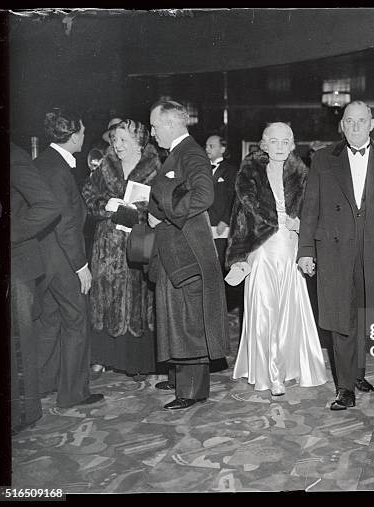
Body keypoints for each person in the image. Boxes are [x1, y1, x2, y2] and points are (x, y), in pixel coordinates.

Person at [298, 101, 374, 410]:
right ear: (341, 125)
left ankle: (358, 372)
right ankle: (344, 387)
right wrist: (306, 250)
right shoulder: (324, 159)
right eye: (349, 121)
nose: (354, 127)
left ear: (372, 124)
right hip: (336, 251)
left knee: (368, 313)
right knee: (342, 318)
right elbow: (310, 207)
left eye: (360, 121)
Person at [226, 123, 327, 396]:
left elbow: (316, 214)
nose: (280, 146)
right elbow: (239, 219)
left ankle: (288, 367)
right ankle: (270, 374)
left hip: (290, 250)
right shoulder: (249, 175)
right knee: (264, 310)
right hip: (261, 250)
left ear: (293, 145)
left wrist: (301, 225)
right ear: (264, 144)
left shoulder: (303, 175)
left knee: (288, 311)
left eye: (286, 141)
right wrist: (238, 256)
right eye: (274, 141)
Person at [147, 99, 229, 410]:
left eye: (155, 126)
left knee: (189, 317)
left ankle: (192, 390)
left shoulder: (190, 153)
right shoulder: (178, 153)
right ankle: (182, 379)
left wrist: (167, 214)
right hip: (176, 248)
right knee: (178, 314)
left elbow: (204, 196)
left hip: (187, 249)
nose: (153, 133)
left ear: (170, 124)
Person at [34, 108, 104, 408]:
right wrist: (81, 266)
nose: (85, 136)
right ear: (73, 135)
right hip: (63, 260)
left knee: (50, 321)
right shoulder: (59, 170)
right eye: (83, 132)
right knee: (76, 320)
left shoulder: (42, 162)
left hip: (44, 260)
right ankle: (73, 394)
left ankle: (41, 386)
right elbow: (65, 225)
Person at [81, 119, 160, 379]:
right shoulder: (106, 165)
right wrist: (106, 204)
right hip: (107, 245)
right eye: (115, 139)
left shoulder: (155, 167)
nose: (118, 144)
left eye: (124, 140)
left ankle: (135, 360)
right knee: (105, 297)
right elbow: (88, 195)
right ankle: (103, 357)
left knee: (139, 299)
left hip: (139, 243)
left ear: (139, 141)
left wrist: (140, 211)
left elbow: (163, 204)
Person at [10, 143, 61, 432]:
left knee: (21, 341)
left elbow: (47, 206)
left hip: (18, 262)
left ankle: (24, 413)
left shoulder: (13, 156)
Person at [205, 134, 239, 371]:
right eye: (206, 145)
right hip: (204, 230)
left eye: (211, 145)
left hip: (223, 232)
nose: (207, 149)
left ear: (223, 148)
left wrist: (225, 220)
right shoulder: (202, 169)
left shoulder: (230, 170)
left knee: (222, 282)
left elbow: (235, 198)